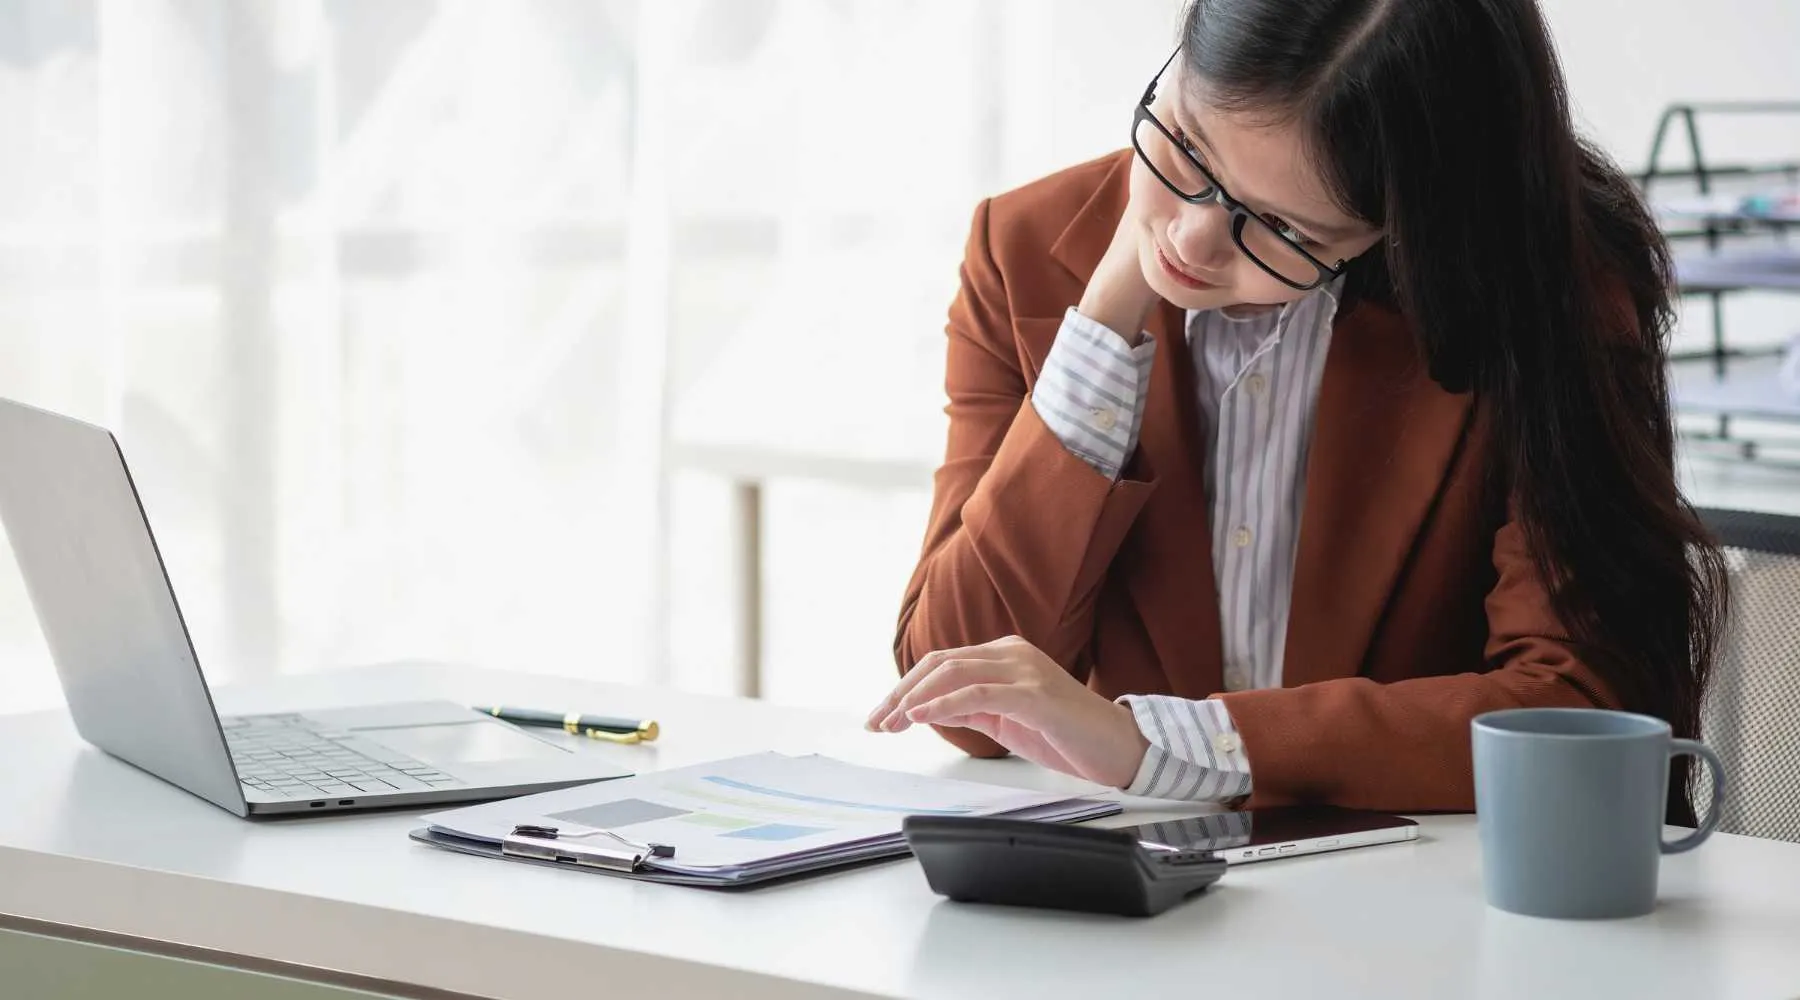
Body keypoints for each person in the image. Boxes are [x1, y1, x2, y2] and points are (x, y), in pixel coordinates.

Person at [865, 0, 1728, 819]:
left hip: (1427, 907)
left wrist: (1156, 745)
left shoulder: (1554, 292)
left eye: (1286, 229)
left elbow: (1572, 705)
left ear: (1402, 226)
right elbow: (962, 704)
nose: (1193, 241)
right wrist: (1103, 322)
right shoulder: (1022, 248)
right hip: (1125, 904)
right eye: (1188, 148)